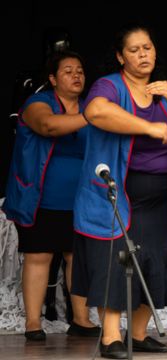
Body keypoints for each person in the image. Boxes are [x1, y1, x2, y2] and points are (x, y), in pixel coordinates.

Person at [71, 24, 167, 359]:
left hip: (159, 197)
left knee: (155, 260)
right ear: (120, 56)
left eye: (147, 47)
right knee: (114, 261)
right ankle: (110, 338)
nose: (143, 54)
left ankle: (138, 332)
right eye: (134, 50)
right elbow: (95, 111)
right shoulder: (110, 86)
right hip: (115, 194)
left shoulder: (166, 89)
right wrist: (147, 126)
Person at [3, 50, 100, 340]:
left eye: (80, 70)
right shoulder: (37, 104)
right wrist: (91, 116)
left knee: (76, 257)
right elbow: (49, 126)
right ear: (53, 78)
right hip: (40, 198)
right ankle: (33, 322)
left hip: (81, 199)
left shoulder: (87, 108)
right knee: (39, 256)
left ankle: (80, 319)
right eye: (68, 70)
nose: (76, 75)